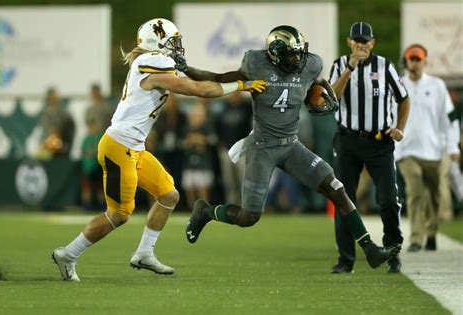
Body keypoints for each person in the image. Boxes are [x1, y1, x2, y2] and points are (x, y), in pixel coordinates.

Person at [51, 18, 266, 282]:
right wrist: (240, 86)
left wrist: (236, 76)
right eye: (172, 43)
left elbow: (204, 78)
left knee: (169, 195)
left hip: (134, 148)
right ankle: (68, 254)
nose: (177, 48)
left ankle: (144, 253)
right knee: (118, 215)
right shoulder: (149, 65)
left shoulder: (152, 66)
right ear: (157, 44)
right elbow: (199, 88)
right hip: (119, 146)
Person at [173, 25, 400, 271]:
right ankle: (206, 212)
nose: (298, 59)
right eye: (292, 54)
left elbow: (315, 81)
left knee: (336, 188)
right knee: (248, 217)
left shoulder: (310, 64)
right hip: (263, 147)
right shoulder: (255, 64)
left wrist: (321, 90)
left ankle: (370, 249)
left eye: (300, 52)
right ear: (275, 54)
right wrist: (186, 69)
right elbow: (217, 78)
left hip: (292, 146)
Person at [328, 22, 410, 273]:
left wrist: (399, 127)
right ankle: (346, 260)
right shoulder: (340, 65)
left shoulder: (385, 66)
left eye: (366, 41)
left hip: (379, 141)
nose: (361, 45)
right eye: (357, 40)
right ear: (349, 42)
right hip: (348, 140)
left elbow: (404, 98)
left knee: (387, 199)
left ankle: (393, 251)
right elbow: (332, 97)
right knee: (344, 198)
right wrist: (350, 68)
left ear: (373, 43)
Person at [395, 44, 460, 252]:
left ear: (425, 62)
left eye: (418, 59)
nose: (414, 63)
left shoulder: (437, 86)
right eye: (410, 59)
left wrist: (452, 147)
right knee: (415, 191)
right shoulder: (398, 85)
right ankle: (416, 238)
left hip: (433, 150)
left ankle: (431, 232)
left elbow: (450, 119)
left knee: (433, 195)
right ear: (405, 61)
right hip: (406, 150)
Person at [215, 91, 253, 204]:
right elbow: (217, 128)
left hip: (242, 150)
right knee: (229, 181)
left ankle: (245, 204)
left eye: (237, 94)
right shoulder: (224, 110)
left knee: (244, 179)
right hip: (226, 150)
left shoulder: (247, 109)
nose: (235, 96)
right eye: (233, 94)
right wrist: (220, 144)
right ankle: (231, 204)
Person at [37, 88, 75, 158]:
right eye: (50, 98)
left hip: (61, 146)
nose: (52, 100)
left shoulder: (64, 113)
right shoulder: (45, 113)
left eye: (53, 97)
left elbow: (69, 129)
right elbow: (45, 129)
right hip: (47, 146)